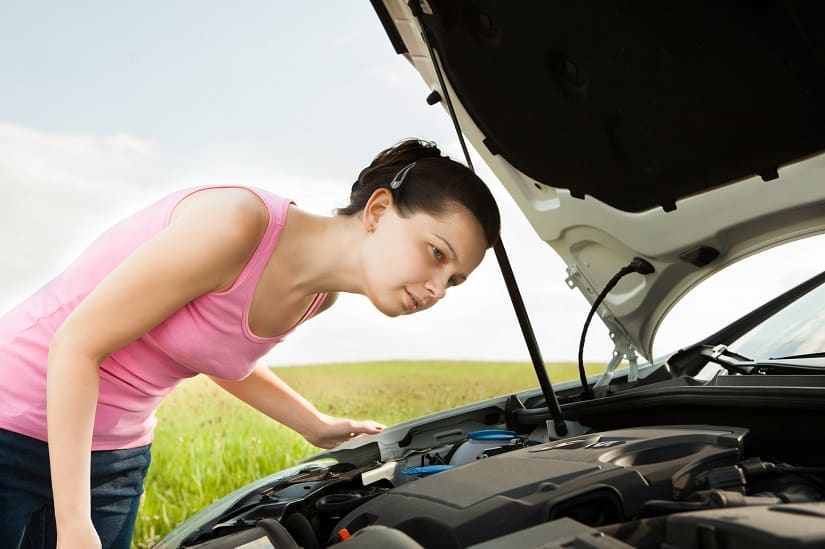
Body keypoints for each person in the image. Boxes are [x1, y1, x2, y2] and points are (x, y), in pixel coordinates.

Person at [0, 138, 501, 549]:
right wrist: (73, 522)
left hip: (115, 454)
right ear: (378, 210)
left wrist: (315, 425)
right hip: (13, 418)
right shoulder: (237, 223)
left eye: (454, 279)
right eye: (437, 253)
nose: (438, 288)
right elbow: (76, 345)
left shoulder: (318, 297)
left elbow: (215, 351)